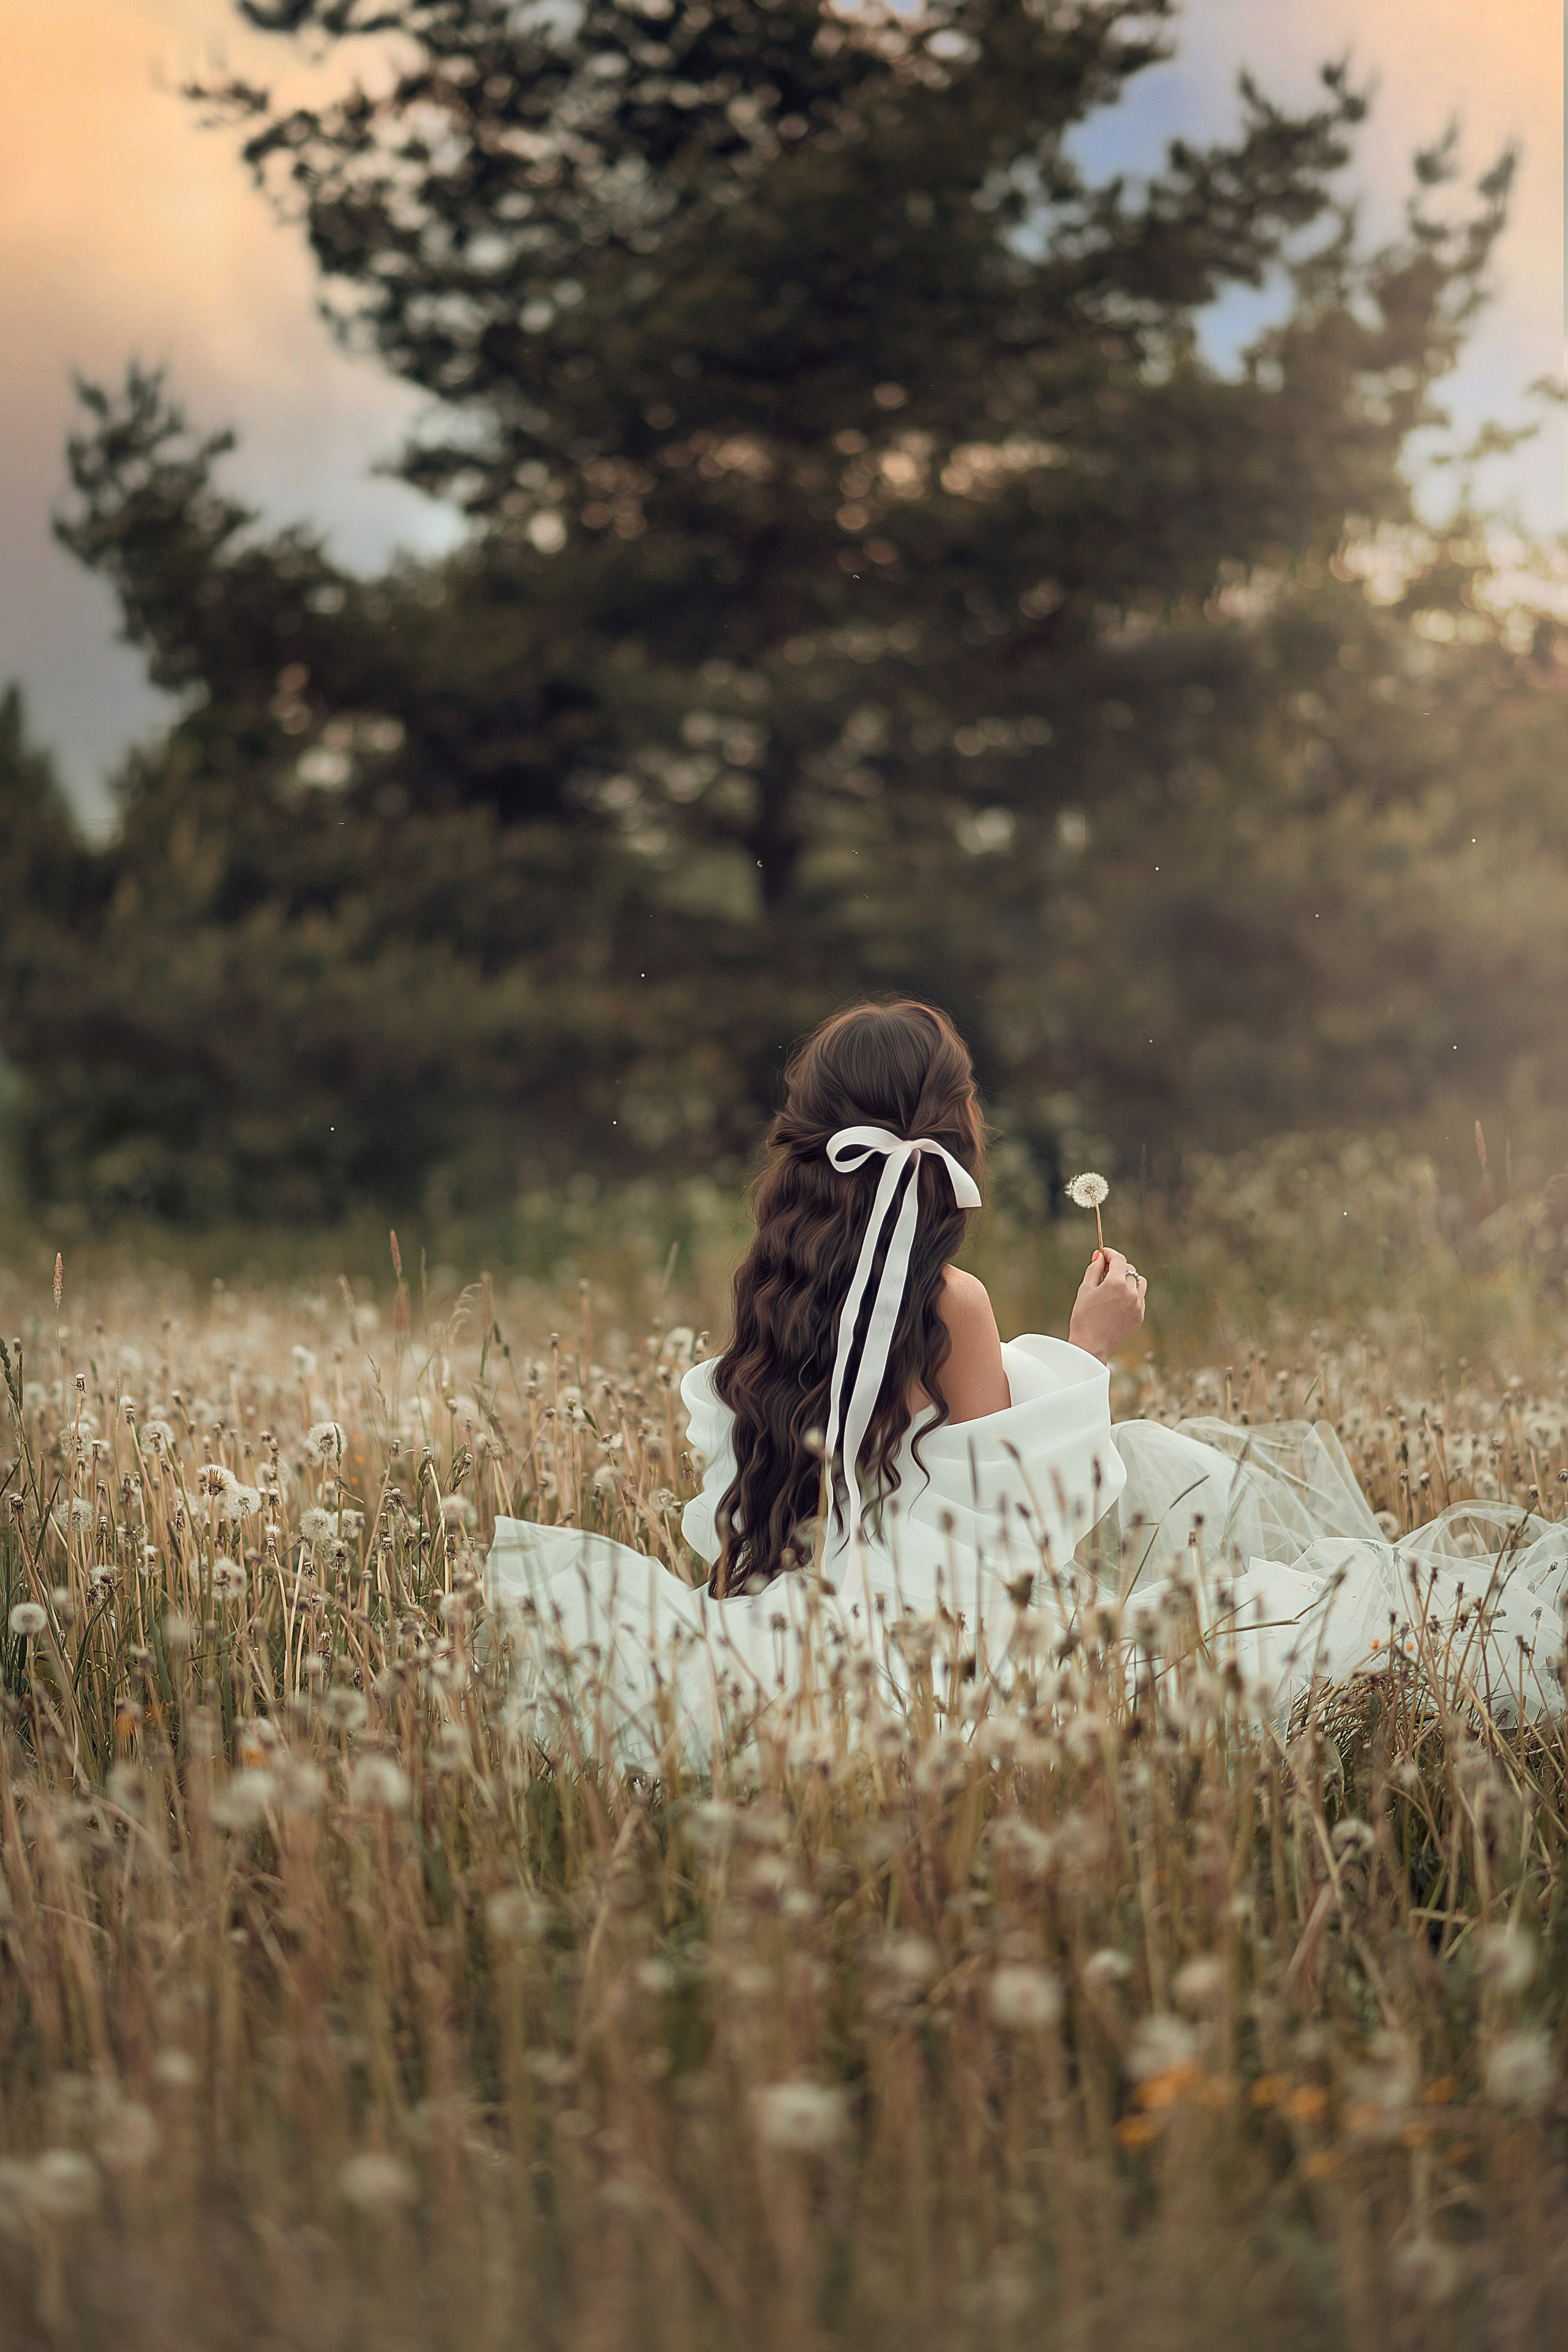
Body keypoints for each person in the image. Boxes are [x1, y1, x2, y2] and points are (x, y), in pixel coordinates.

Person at [488, 1002, 1566, 1766]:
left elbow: (803, 1492)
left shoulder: (773, 1288)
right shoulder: (949, 1302)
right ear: (953, 1127)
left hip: (797, 1625)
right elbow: (1008, 1527)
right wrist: (1089, 1350)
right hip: (940, 1642)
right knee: (1290, 1618)